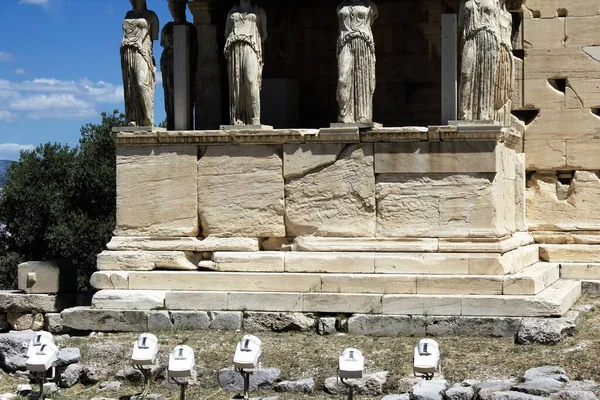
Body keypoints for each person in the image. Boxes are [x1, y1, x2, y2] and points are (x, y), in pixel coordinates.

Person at [224, 0, 267, 125]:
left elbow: (264, 34)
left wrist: (252, 39)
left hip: (251, 46)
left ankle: (254, 118)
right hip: (235, 47)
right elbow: (226, 32)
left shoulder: (259, 11)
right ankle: (237, 119)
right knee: (236, 83)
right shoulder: (231, 12)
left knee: (251, 80)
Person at [336, 0, 378, 124]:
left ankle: (363, 116)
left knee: (363, 79)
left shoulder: (370, 6)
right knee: (342, 79)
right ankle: (344, 117)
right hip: (345, 43)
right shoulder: (340, 6)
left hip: (364, 43)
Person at [458, 0, 500, 121]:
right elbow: (460, 27)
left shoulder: (495, 1)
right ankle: (464, 112)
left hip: (489, 37)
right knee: (466, 73)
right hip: (469, 38)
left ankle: (484, 113)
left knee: (486, 76)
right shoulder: (464, 2)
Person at [120, 0, 159, 127]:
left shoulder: (151, 15)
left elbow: (154, 37)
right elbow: (124, 35)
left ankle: (148, 117)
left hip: (142, 51)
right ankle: (133, 118)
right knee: (130, 85)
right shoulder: (128, 14)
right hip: (127, 50)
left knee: (141, 82)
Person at [160, 0, 198, 130]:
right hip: (169, 64)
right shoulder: (167, 28)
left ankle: (186, 124)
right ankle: (171, 122)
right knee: (170, 95)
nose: (175, 11)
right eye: (172, 9)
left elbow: (194, 51)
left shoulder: (191, 29)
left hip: (185, 66)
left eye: (177, 8)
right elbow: (163, 45)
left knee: (186, 95)